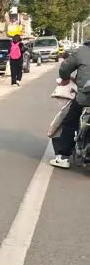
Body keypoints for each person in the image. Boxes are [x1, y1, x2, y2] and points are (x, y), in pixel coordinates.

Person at [50, 39, 90, 168]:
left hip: (84, 98)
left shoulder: (82, 51)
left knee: (69, 122)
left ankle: (63, 157)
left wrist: (66, 78)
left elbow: (64, 69)